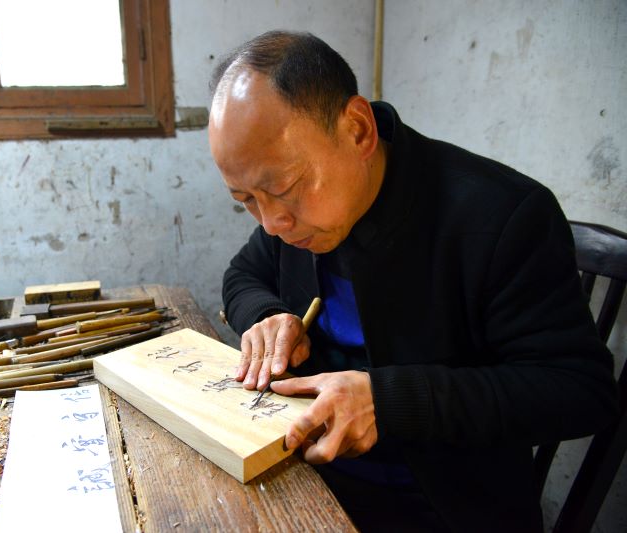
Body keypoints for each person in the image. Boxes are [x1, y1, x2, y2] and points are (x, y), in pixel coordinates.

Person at [208, 30, 618, 533]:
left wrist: (389, 401)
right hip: (308, 479)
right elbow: (244, 274)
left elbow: (580, 390)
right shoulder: (291, 216)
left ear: (358, 130)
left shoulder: (503, 216)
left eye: (284, 188)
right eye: (245, 201)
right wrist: (266, 315)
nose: (271, 223)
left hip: (444, 507)